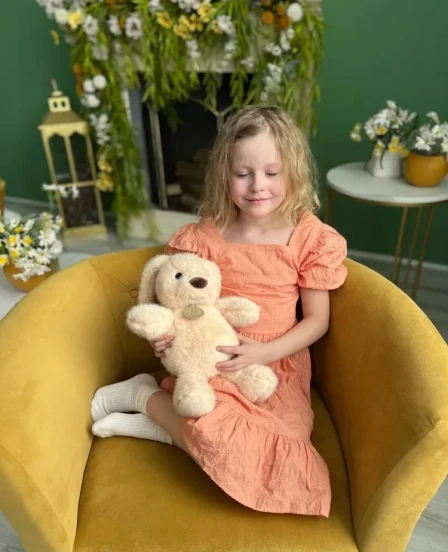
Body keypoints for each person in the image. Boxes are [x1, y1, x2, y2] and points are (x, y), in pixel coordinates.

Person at [90, 105, 347, 516]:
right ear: (224, 175)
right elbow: (174, 300)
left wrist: (264, 352)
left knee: (280, 463)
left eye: (272, 172)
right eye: (243, 173)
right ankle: (144, 397)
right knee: (207, 418)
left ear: (294, 172)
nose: (258, 186)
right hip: (211, 359)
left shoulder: (310, 238)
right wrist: (165, 337)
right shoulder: (204, 237)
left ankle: (155, 420)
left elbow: (318, 320)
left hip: (276, 364)